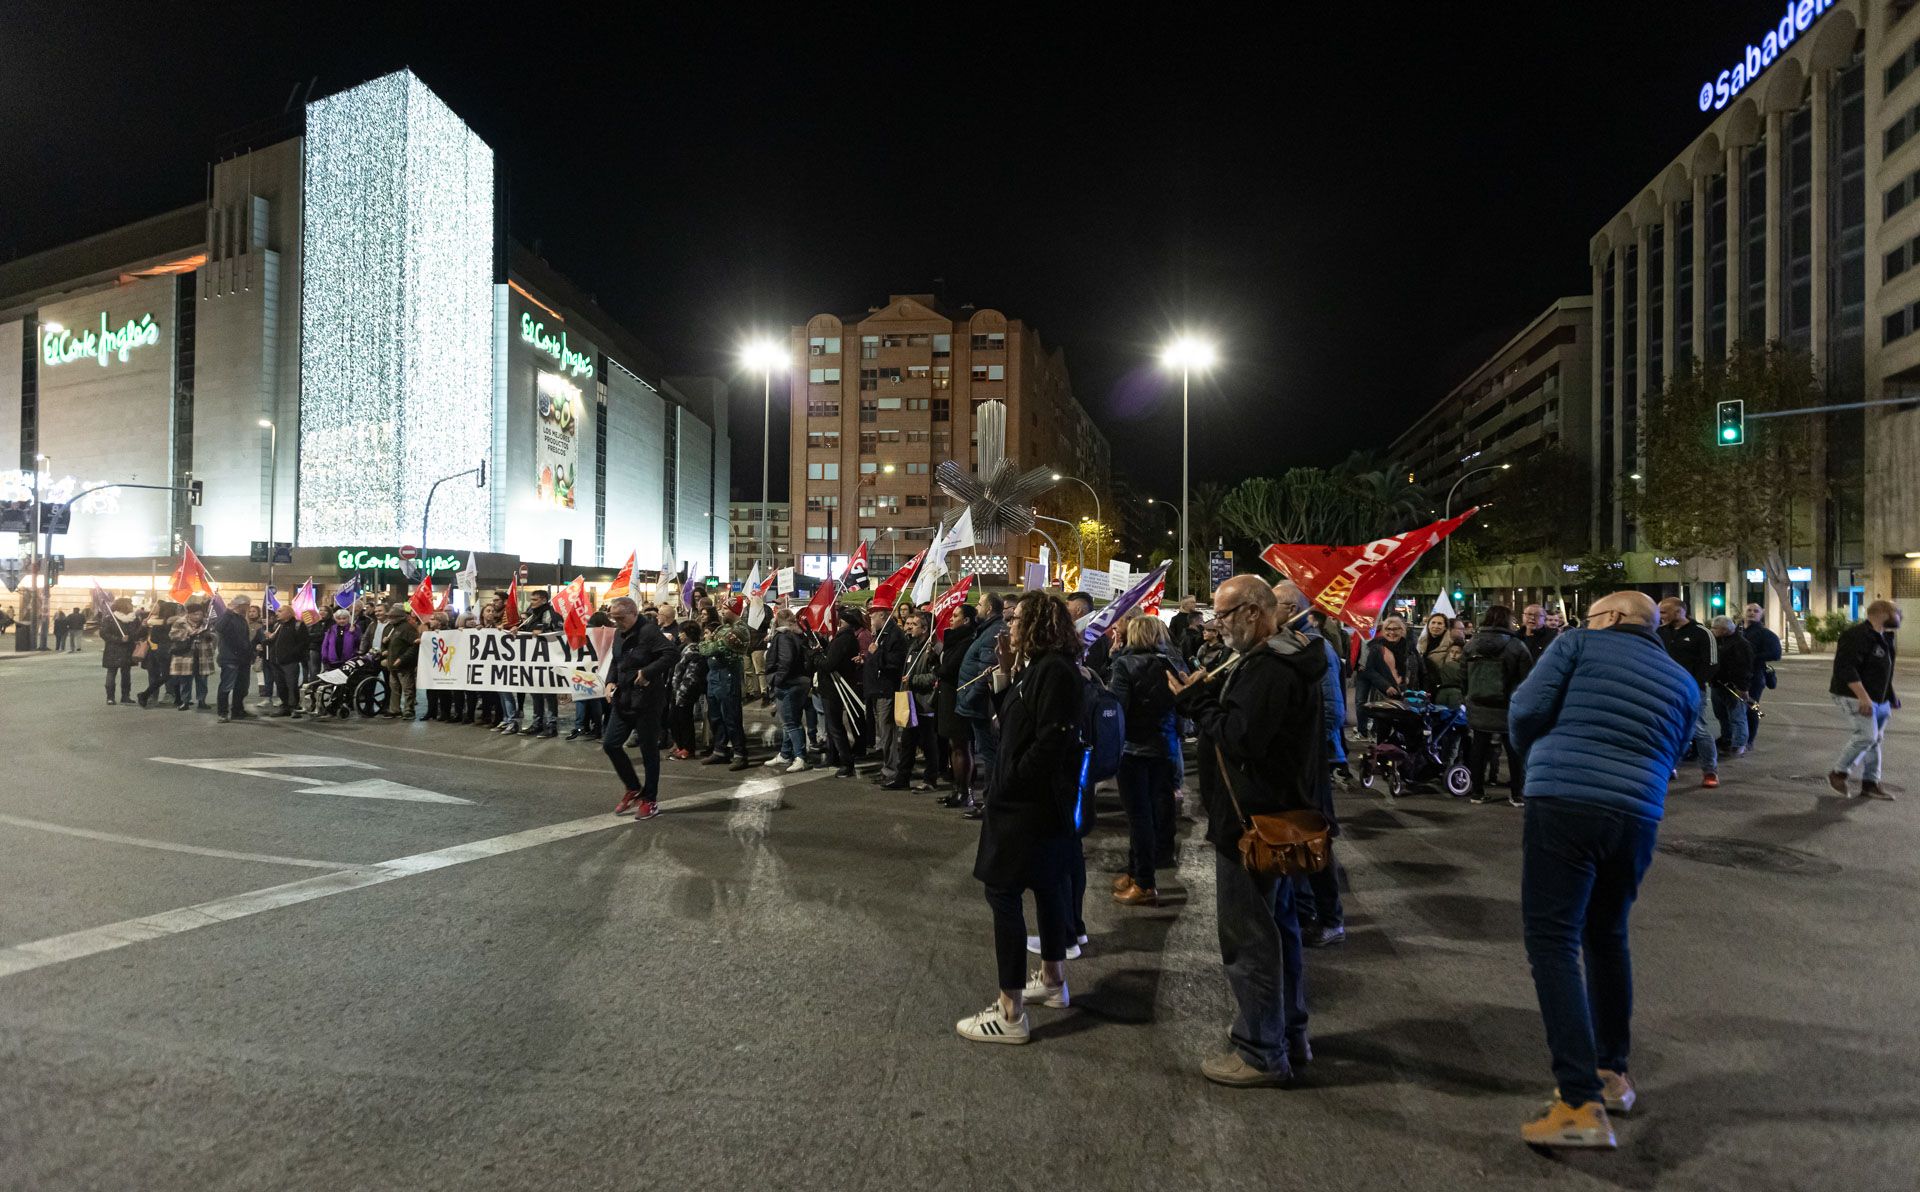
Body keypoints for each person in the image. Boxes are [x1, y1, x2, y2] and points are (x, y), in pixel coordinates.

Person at [1506, 591, 1697, 1149]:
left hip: (1565, 801)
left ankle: (1578, 1101)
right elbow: (1678, 747)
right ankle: (1613, 1074)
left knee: (1552, 941)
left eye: (1591, 615)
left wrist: (1535, 760)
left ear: (1609, 619)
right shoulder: (1681, 679)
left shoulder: (1577, 643)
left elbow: (1525, 710)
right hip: (1637, 815)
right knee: (1607, 936)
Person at [1170, 575, 1325, 1087]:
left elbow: (1241, 739)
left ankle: (1261, 1049)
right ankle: (1288, 1033)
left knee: (1250, 938)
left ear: (1255, 613)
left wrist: (1198, 704)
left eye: (1225, 614)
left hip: (1251, 823)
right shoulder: (1282, 659)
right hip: (1273, 817)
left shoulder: (1270, 668)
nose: (1219, 625)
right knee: (1279, 931)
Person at [956, 591, 1087, 1046]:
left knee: (1004, 893)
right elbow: (1012, 719)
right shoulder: (1041, 668)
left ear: (1035, 625)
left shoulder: (1055, 671)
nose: (1008, 626)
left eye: (1015, 620)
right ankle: (1052, 978)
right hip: (1032, 804)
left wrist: (1011, 780)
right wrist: (1008, 671)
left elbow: (1050, 742)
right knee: (1047, 888)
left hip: (1027, 806)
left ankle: (1010, 1010)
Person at [1278, 582, 1347, 948]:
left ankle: (1330, 919)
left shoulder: (1315, 649)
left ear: (1291, 610)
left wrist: (1309, 754)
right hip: (1299, 762)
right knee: (1298, 839)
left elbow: (1333, 710)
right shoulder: (1293, 645)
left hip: (1310, 763)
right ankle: (1306, 913)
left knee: (1316, 842)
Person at [1108, 615, 1186, 906]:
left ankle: (1144, 882)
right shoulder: (1173, 663)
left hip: (1134, 749)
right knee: (1151, 812)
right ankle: (1135, 872)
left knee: (1138, 816)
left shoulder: (1125, 665)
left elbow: (1118, 708)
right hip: (1164, 747)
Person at [603, 597, 676, 819]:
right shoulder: (618, 632)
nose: (617, 623)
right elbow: (616, 661)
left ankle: (650, 799)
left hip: (647, 701)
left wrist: (647, 672)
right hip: (623, 698)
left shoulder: (649, 631)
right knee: (610, 744)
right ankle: (633, 787)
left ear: (633, 613)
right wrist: (610, 681)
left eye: (620, 619)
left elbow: (672, 654)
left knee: (648, 752)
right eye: (614, 619)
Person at [1827, 599, 1903, 800]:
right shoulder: (1857, 635)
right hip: (1853, 695)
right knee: (1866, 736)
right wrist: (1864, 698)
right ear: (1884, 612)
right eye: (1898, 612)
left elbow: (1882, 671)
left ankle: (1871, 784)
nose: (1900, 616)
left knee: (1875, 740)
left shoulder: (1885, 637)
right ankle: (1839, 773)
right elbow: (1846, 668)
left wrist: (1890, 696)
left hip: (1879, 699)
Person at [1462, 605, 1533, 806]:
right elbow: (1527, 679)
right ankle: (1517, 794)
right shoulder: (1516, 646)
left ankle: (1477, 792)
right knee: (1514, 752)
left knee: (1479, 748)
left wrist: (1467, 698)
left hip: (1479, 704)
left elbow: (1463, 677)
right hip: (1508, 706)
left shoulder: (1471, 645)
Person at [1656, 597, 1719, 789]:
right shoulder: (1659, 632)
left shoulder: (1701, 633)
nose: (1660, 616)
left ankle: (1710, 771)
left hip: (1692, 691)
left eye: (1664, 612)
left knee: (1698, 729)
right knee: (1666, 729)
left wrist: (1694, 684)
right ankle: (1669, 767)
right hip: (1665, 690)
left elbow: (1712, 663)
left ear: (1679, 611)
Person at [954, 592, 1007, 815]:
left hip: (982, 705)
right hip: (978, 704)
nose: (977, 607)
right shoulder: (987, 630)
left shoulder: (993, 631)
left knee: (989, 754)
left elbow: (985, 673)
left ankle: (990, 803)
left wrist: (968, 698)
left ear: (990, 608)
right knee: (987, 753)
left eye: (980, 604)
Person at [880, 609, 940, 790]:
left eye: (914, 625)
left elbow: (934, 677)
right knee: (907, 742)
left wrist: (913, 680)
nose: (910, 627)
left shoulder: (934, 648)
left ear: (925, 628)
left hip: (924, 702)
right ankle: (902, 777)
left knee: (928, 743)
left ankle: (930, 779)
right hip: (910, 700)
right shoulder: (913, 646)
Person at [935, 602, 980, 807]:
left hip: (957, 699)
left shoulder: (966, 642)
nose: (951, 619)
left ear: (967, 620)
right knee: (955, 746)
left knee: (961, 746)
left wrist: (935, 664)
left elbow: (948, 669)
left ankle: (964, 791)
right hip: (948, 698)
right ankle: (957, 788)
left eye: (955, 616)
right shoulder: (955, 641)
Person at [763, 607, 813, 773]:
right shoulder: (797, 635)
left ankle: (800, 757)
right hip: (798, 682)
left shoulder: (783, 636)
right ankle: (785, 753)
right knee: (790, 721)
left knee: (791, 723)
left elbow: (786, 660)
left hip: (789, 683)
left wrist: (777, 680)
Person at [818, 606, 866, 777]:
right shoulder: (846, 638)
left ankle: (846, 762)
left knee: (835, 726)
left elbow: (830, 664)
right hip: (833, 687)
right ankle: (833, 757)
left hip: (834, 688)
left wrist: (816, 657)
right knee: (832, 727)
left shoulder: (843, 639)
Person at [701, 610, 751, 770]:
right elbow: (705, 647)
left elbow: (709, 649)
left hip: (727, 677)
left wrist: (709, 642)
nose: (721, 611)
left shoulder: (739, 630)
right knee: (715, 716)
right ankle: (720, 750)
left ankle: (740, 754)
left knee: (731, 717)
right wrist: (709, 642)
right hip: (714, 676)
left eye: (725, 609)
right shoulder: (723, 629)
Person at [863, 605, 909, 775]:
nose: (871, 619)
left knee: (887, 731)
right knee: (884, 731)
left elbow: (895, 662)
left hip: (886, 689)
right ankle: (887, 765)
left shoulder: (894, 634)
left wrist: (876, 654)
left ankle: (891, 768)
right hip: (878, 689)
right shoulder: (884, 634)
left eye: (873, 615)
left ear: (882, 615)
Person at [1355, 614, 1415, 735]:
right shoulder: (1377, 648)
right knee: (1384, 728)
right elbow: (1369, 670)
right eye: (1388, 629)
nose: (1391, 632)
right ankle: (1365, 731)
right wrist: (1386, 685)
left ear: (1402, 630)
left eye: (1395, 629)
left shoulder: (1409, 647)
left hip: (1403, 691)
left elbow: (1416, 668)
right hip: (1385, 691)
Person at [517, 590, 564, 736]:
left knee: (549, 694)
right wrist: (516, 630)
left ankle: (551, 725)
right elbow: (524, 629)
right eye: (531, 599)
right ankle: (537, 723)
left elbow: (559, 633)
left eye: (535, 599)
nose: (532, 602)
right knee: (535, 692)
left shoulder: (552, 615)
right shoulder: (532, 615)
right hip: (533, 661)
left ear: (544, 600)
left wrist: (542, 632)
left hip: (548, 660)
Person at [1708, 616, 1753, 758]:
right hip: (1718, 684)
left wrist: (1742, 688)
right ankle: (1726, 739)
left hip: (1733, 687)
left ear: (1725, 630)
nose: (1712, 630)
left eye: (1715, 628)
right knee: (1721, 715)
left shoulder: (1740, 644)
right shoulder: (1717, 641)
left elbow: (1744, 668)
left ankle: (1739, 744)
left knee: (1737, 716)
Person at [1741, 603, 1782, 744]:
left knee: (1752, 709)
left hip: (1755, 676)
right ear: (1743, 612)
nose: (1752, 613)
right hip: (1738, 676)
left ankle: (1749, 740)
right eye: (1749, 610)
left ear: (1761, 614)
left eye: (1756, 611)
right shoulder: (1739, 631)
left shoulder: (1766, 634)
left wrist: (1753, 657)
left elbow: (1776, 654)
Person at [668, 620, 709, 758]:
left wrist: (682, 692)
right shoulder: (684, 647)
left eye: (681, 632)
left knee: (684, 719)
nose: (679, 635)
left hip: (685, 692)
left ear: (687, 634)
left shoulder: (694, 650)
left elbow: (691, 674)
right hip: (677, 690)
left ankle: (688, 748)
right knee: (675, 718)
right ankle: (681, 746)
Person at [263, 603, 309, 718]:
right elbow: (274, 642)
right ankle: (285, 706)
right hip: (276, 661)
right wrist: (264, 643)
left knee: (291, 685)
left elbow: (303, 643)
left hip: (289, 662)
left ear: (289, 613)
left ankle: (294, 707)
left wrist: (291, 655)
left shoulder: (298, 625)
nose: (277, 613)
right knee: (280, 685)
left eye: (280, 611)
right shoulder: (278, 625)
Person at [213, 595, 255, 721]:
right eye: (247, 605)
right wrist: (228, 612)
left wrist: (250, 653)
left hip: (243, 659)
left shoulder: (241, 619)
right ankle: (222, 712)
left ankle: (237, 710)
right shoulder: (228, 617)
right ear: (241, 605)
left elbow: (244, 639)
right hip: (230, 658)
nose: (248, 608)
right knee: (226, 686)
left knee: (241, 687)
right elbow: (218, 627)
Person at [170, 600, 215, 711]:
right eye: (195, 614)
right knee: (185, 680)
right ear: (189, 614)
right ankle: (185, 701)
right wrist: (187, 634)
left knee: (202, 680)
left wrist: (208, 635)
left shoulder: (206, 623)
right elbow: (172, 635)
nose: (198, 616)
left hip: (202, 654)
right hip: (185, 655)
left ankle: (202, 701)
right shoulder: (180, 622)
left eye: (200, 614)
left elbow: (214, 636)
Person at [376, 606, 419, 721]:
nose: (389, 618)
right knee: (394, 689)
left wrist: (402, 659)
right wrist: (385, 645)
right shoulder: (392, 628)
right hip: (392, 664)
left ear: (399, 617)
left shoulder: (407, 628)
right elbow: (393, 646)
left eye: (392, 617)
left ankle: (409, 710)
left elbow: (415, 646)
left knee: (407, 689)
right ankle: (395, 709)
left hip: (404, 665)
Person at [1418, 611, 1466, 708]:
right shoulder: (1420, 643)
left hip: (1439, 690)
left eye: (1440, 623)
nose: (1436, 626)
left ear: (1445, 627)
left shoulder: (1451, 646)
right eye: (1433, 622)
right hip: (1421, 687)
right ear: (1428, 625)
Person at [99, 598, 142, 705]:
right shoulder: (110, 618)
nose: (131, 605)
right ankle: (110, 697)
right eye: (129, 604)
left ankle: (125, 696)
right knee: (112, 672)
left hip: (128, 649)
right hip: (113, 649)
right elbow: (104, 633)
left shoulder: (134, 619)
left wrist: (133, 635)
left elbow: (138, 633)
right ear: (123, 605)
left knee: (126, 673)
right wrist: (119, 639)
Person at [137, 602, 177, 708]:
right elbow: (140, 634)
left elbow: (155, 637)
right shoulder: (151, 620)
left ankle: (171, 695)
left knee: (168, 675)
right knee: (160, 675)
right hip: (156, 651)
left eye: (156, 607)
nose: (154, 608)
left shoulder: (169, 621)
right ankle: (149, 695)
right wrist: (143, 626)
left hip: (162, 651)